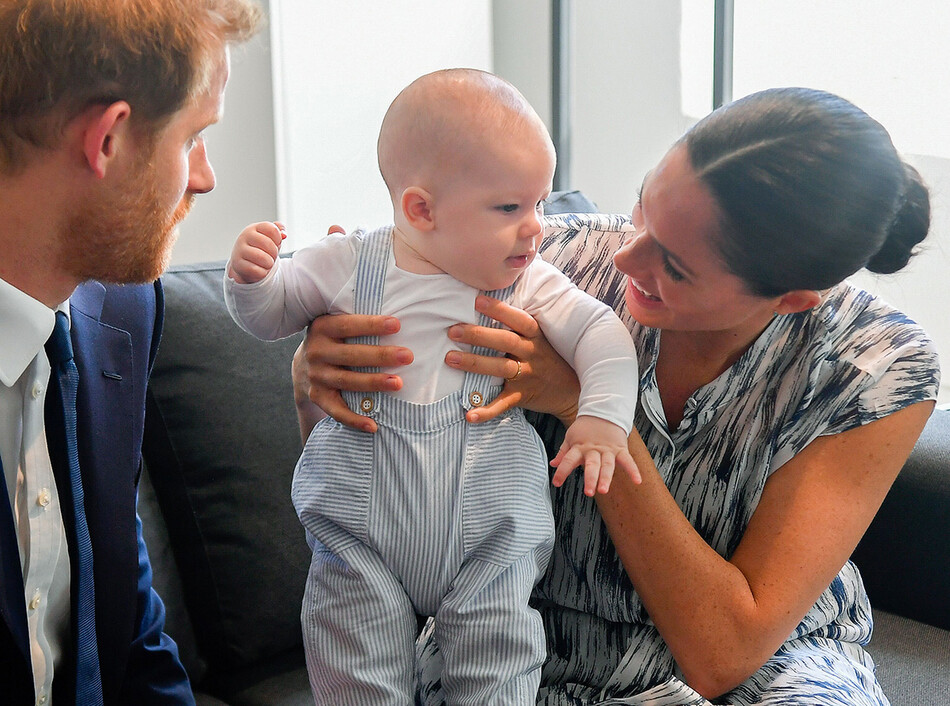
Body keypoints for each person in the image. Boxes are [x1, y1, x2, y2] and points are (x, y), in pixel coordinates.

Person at [296, 86, 940, 705]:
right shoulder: (541, 261)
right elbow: (378, 489)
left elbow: (723, 653)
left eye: (676, 266)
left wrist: (585, 404)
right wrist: (320, 379)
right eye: (643, 208)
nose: (627, 258)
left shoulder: (874, 366)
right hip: (524, 638)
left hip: (764, 669)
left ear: (792, 298)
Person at [224, 68, 640, 703]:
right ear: (421, 208)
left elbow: (602, 333)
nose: (535, 227)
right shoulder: (348, 262)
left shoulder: (526, 280)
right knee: (353, 668)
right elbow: (270, 316)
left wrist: (603, 418)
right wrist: (252, 282)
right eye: (509, 207)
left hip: (490, 531)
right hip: (359, 533)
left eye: (539, 201)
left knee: (498, 662)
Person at [0, 1, 262, 703]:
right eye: (193, 138)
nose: (202, 178)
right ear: (109, 139)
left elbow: (130, 631)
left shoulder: (120, 309)